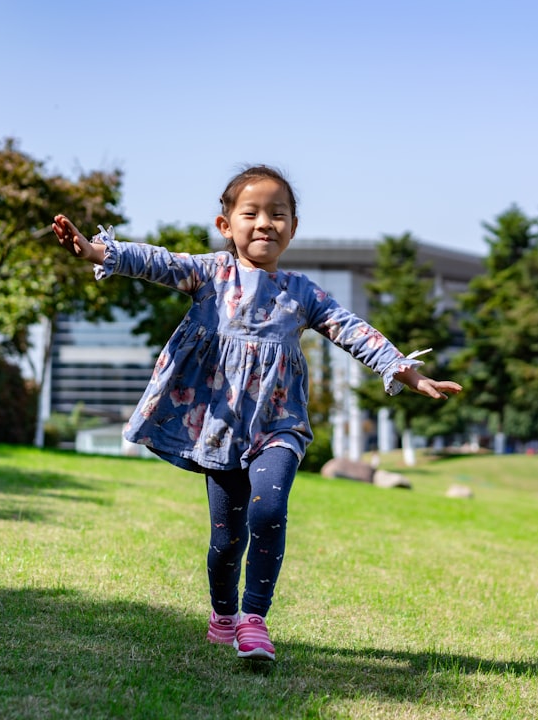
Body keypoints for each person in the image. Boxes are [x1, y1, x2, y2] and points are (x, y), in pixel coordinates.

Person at [52, 165, 462, 661]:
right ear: (226, 226)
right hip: (220, 427)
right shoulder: (211, 274)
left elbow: (353, 329)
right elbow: (157, 262)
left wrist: (405, 370)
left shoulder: (301, 292)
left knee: (268, 512)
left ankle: (253, 618)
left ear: (293, 227)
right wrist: (99, 252)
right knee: (226, 541)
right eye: (252, 213)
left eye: (278, 214)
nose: (265, 222)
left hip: (279, 424)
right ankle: (223, 613)